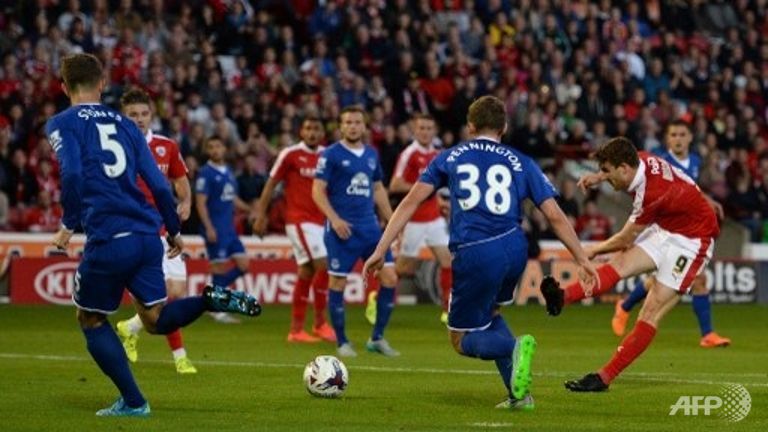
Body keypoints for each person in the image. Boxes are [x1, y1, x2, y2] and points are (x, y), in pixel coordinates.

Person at [47, 53, 260, 417]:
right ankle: (207, 301)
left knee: (91, 318)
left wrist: (68, 224)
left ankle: (134, 402)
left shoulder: (62, 122)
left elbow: (73, 175)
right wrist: (174, 230)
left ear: (64, 87)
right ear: (102, 84)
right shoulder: (127, 125)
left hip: (109, 236)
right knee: (155, 319)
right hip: (148, 235)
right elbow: (161, 186)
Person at [363, 96, 597, 409]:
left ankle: (512, 347)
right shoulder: (521, 161)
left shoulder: (450, 156)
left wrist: (381, 249)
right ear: (504, 127)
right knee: (491, 314)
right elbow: (554, 215)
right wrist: (582, 258)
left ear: (470, 126)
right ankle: (519, 396)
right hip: (515, 247)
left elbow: (409, 202)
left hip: (476, 250)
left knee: (460, 339)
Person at [539, 136, 720, 392]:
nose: (606, 176)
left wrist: (591, 251)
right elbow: (620, 167)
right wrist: (598, 177)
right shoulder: (638, 159)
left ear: (624, 169)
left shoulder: (651, 194)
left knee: (651, 310)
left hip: (693, 240)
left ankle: (604, 377)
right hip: (667, 225)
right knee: (621, 263)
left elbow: (624, 238)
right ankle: (561, 298)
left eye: (607, 171)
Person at [611, 120, 731, 348]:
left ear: (690, 138)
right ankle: (706, 333)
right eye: (673, 134)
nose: (678, 139)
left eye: (682, 134)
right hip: (661, 229)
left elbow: (689, 187)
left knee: (680, 280)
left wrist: (707, 200)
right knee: (688, 279)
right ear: (667, 139)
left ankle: (625, 306)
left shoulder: (695, 161)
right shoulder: (659, 161)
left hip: (685, 230)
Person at [114, 88, 197, 374]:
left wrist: (186, 202)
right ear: (123, 117)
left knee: (177, 292)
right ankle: (180, 357)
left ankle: (130, 327)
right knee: (159, 298)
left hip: (166, 229)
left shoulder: (166, 146)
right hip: (137, 230)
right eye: (132, 115)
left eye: (144, 113)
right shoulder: (114, 146)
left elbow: (180, 180)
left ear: (152, 115)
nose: (139, 119)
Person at [311, 105, 400, 358]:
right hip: (342, 231)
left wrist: (392, 222)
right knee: (338, 282)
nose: (353, 126)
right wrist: (335, 219)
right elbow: (317, 190)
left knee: (390, 278)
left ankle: (377, 338)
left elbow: (378, 189)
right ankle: (342, 342)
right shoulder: (331, 154)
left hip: (370, 230)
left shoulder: (371, 153)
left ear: (364, 126)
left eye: (357, 122)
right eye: (348, 122)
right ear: (341, 126)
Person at [253, 117, 336, 343]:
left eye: (316, 128)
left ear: (322, 133)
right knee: (324, 265)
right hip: (299, 220)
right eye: (308, 128)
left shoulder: (328, 155)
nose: (312, 132)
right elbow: (271, 184)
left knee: (307, 272)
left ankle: (296, 330)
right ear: (301, 131)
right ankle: (320, 324)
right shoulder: (290, 154)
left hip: (321, 221)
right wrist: (261, 215)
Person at [389, 113, 452, 324]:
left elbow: (438, 186)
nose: (425, 132)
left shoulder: (438, 154)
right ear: (415, 131)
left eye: (428, 128)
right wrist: (423, 189)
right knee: (405, 268)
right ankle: (377, 295)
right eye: (421, 128)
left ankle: (447, 309)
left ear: (434, 131)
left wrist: (439, 200)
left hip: (434, 218)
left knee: (447, 260)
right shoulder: (409, 154)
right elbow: (395, 185)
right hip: (413, 220)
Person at [195, 135, 253, 324]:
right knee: (219, 268)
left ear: (224, 149)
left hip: (230, 229)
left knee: (244, 265)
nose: (215, 150)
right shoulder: (205, 173)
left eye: (218, 146)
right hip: (215, 228)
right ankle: (216, 308)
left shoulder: (228, 171)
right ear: (207, 151)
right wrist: (209, 227)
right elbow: (200, 203)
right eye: (211, 147)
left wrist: (250, 209)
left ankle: (211, 294)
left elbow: (232, 197)